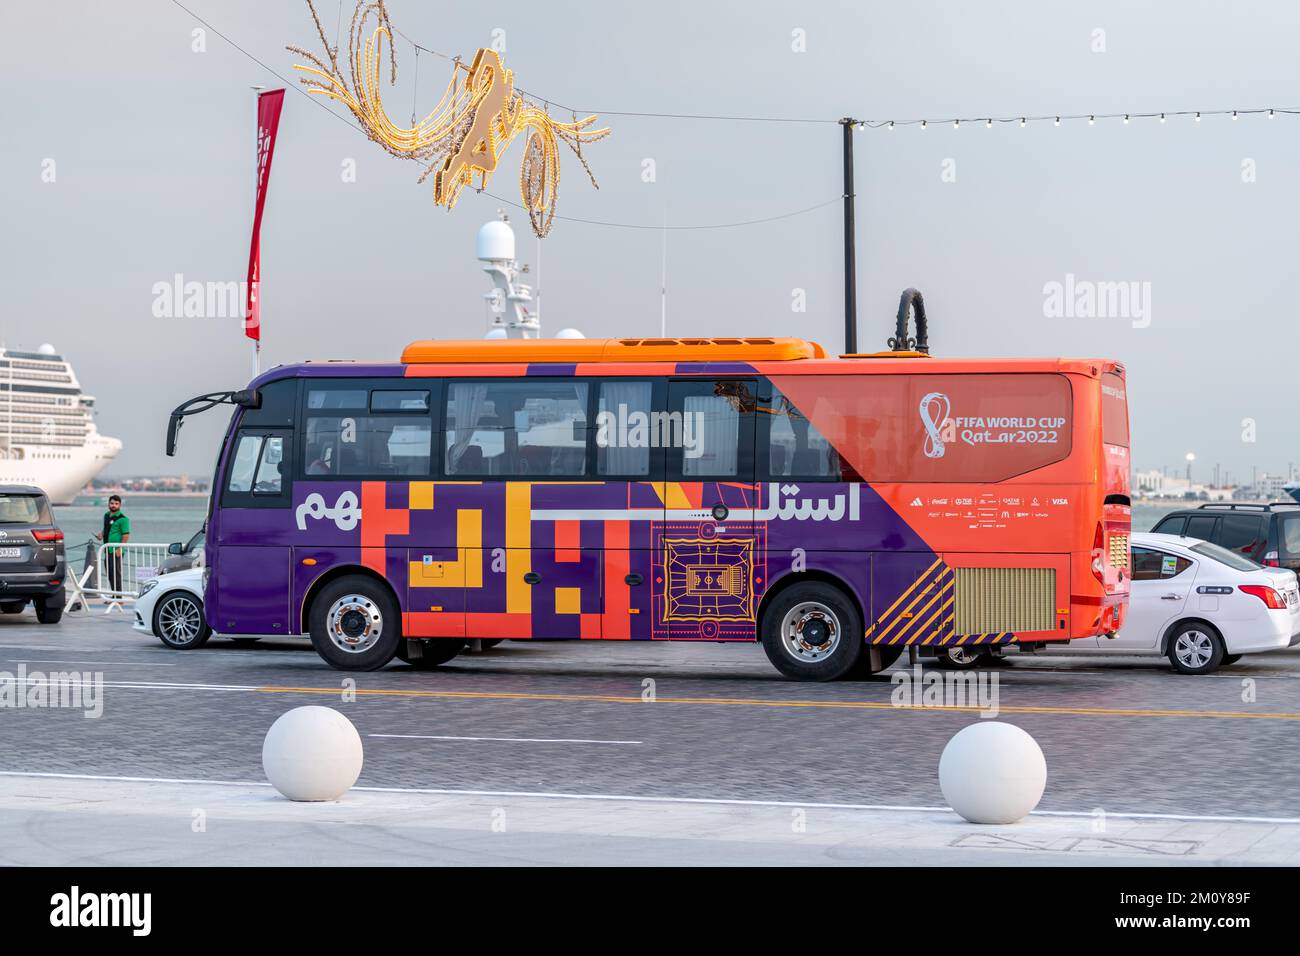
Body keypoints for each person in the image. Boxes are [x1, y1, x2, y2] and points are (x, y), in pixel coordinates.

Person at [95, 494, 130, 595]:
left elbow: (126, 535)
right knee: (110, 573)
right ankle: (114, 595)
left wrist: (120, 548)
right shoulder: (106, 515)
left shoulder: (123, 519)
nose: (114, 505)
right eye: (112, 503)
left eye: (116, 503)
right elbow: (106, 529)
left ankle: (119, 598)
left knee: (116, 573)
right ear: (108, 504)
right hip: (107, 549)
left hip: (116, 550)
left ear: (120, 505)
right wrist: (101, 535)